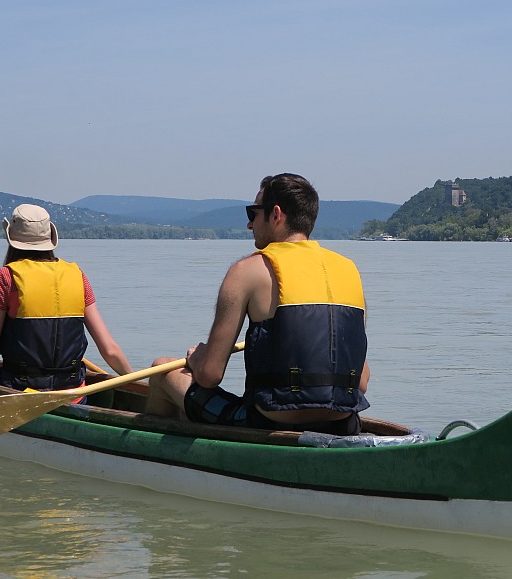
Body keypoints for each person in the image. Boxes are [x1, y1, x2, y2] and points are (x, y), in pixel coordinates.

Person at [144, 173, 370, 435]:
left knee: (161, 370)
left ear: (275, 215)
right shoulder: (348, 271)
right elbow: (361, 382)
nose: (250, 225)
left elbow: (209, 375)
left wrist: (197, 359)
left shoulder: (247, 271)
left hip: (270, 422)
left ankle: (165, 461)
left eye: (253, 213)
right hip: (344, 423)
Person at [0, 204, 133, 392]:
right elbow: (110, 350)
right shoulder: (78, 276)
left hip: (20, 388)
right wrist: (135, 382)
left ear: (11, 238)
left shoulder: (5, 277)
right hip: (73, 390)